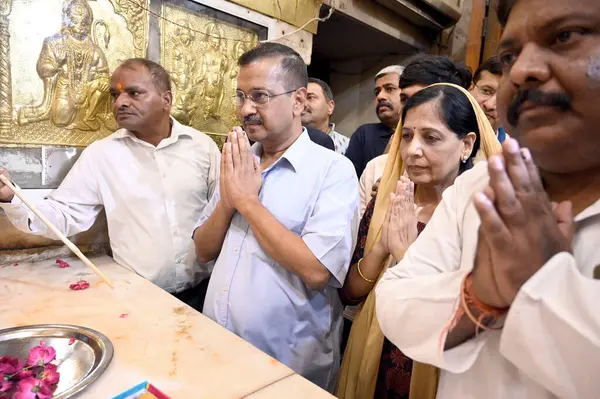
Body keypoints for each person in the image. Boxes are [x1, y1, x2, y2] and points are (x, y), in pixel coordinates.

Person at [375, 0, 600, 397]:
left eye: (565, 36)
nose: (523, 70)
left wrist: (545, 284)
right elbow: (394, 300)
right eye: (510, 55)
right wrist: (479, 295)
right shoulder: (478, 186)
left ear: (466, 144)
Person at [193, 43, 359, 393]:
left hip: (286, 360)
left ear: (298, 101)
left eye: (260, 96)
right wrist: (228, 201)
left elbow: (316, 271)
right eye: (240, 96)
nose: (245, 109)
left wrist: (247, 203)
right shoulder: (240, 160)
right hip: (217, 343)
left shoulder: (333, 171)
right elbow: (203, 250)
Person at [0, 59, 220, 311]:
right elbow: (65, 215)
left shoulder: (203, 148)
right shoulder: (101, 155)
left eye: (133, 93)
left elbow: (222, 211)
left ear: (166, 100)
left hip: (205, 292)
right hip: (139, 298)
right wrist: (11, 197)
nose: (120, 103)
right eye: (115, 95)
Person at [337, 84, 501, 399]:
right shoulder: (389, 199)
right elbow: (350, 294)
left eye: (431, 137)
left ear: (466, 145)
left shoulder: (479, 215)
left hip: (436, 362)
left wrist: (405, 254)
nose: (413, 149)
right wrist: (383, 247)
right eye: (408, 135)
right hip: (372, 347)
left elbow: (473, 312)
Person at [361, 55, 473, 212]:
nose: (412, 109)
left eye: (423, 98)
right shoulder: (376, 169)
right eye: (405, 100)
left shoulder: (480, 195)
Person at [345, 65, 404, 177]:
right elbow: (348, 182)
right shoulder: (365, 134)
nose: (380, 96)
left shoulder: (420, 134)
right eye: (377, 92)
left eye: (389, 89)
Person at [302, 78, 349, 154]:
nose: (303, 104)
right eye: (299, 99)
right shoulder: (284, 144)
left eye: (310, 97)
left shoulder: (347, 146)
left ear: (330, 107)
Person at [469, 56, 507, 141]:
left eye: (503, 98)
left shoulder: (512, 152)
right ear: (470, 89)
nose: (490, 105)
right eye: (486, 91)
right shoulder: (440, 131)